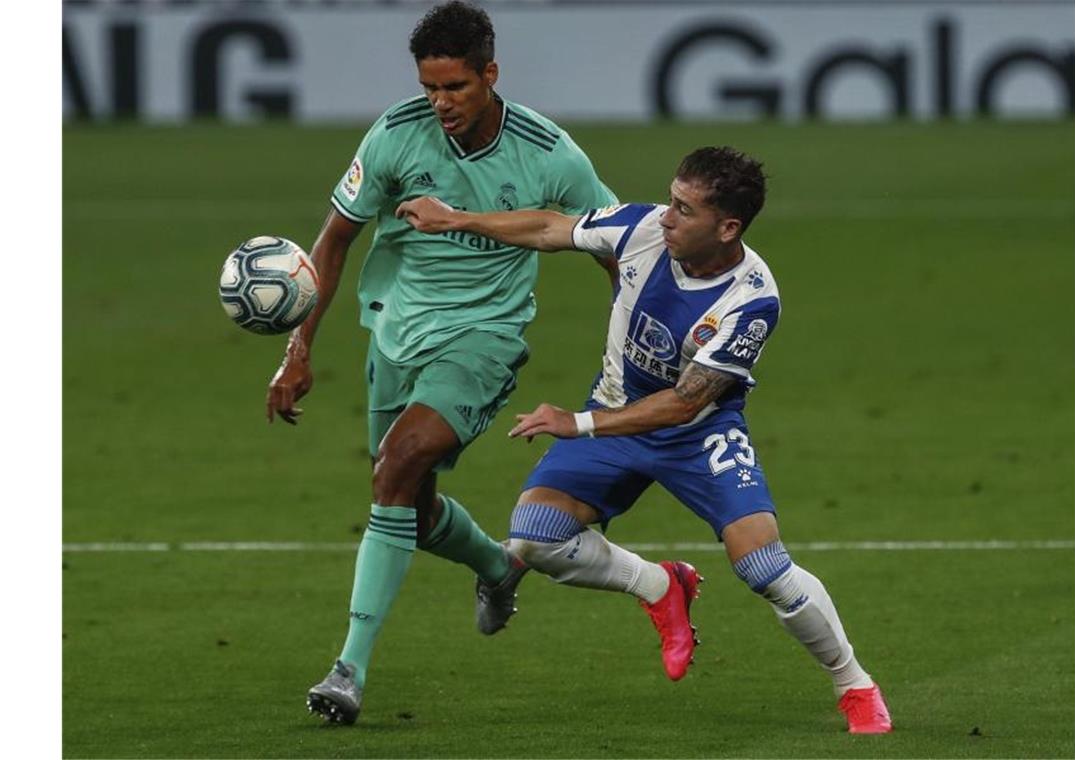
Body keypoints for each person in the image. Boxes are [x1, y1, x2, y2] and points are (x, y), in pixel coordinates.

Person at [395, 146, 894, 734]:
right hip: (614, 411)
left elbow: (686, 401)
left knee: (763, 565)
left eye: (684, 210)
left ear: (727, 227)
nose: (667, 217)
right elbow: (552, 228)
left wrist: (575, 424)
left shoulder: (751, 300)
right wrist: (457, 218)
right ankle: (660, 584)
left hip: (697, 432)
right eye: (671, 199)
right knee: (537, 538)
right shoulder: (640, 226)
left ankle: (853, 683)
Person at [265, 1, 618, 726]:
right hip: (395, 334)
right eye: (430, 87)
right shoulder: (396, 135)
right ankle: (497, 566)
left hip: (483, 340)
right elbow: (332, 241)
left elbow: (616, 241)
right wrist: (298, 349)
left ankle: (348, 670)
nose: (441, 103)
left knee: (396, 467)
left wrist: (628, 353)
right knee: (412, 508)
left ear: (490, 74)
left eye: (455, 87)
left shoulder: (549, 152)